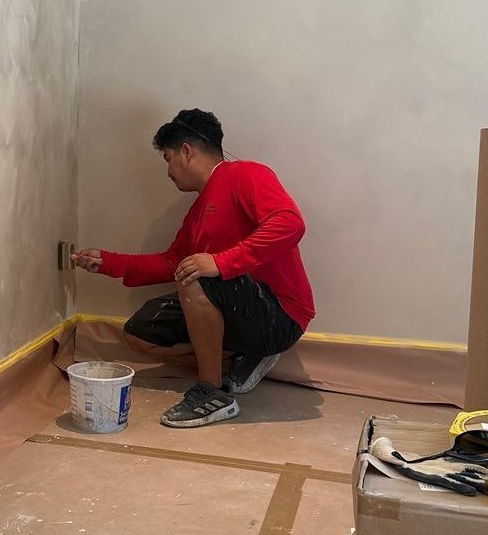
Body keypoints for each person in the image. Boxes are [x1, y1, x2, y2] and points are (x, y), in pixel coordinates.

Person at [74, 108, 314, 429]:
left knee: (196, 273)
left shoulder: (245, 174)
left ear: (187, 152)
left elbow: (290, 223)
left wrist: (219, 262)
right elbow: (169, 263)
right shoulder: (198, 211)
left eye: (168, 158)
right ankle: (245, 352)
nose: (168, 171)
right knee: (140, 332)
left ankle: (212, 394)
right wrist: (107, 262)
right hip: (240, 310)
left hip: (281, 315)